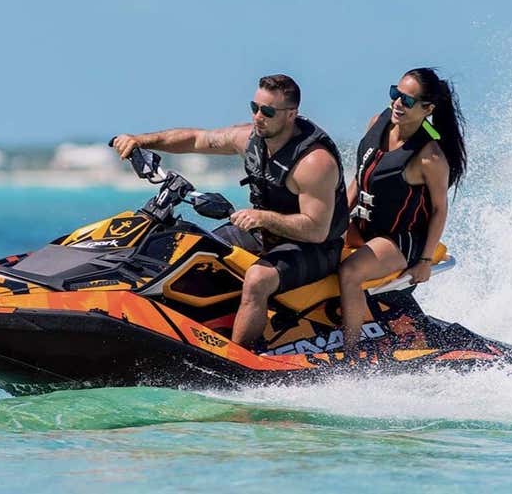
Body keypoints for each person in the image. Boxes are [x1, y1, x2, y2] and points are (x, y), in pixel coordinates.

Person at [111, 74, 349, 349]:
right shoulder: (249, 138)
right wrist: (140, 140)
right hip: (264, 231)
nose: (258, 117)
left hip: (316, 247)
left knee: (258, 279)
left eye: (268, 111)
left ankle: (237, 357)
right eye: (255, 107)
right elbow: (197, 139)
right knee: (195, 249)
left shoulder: (314, 163)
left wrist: (263, 217)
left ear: (291, 114)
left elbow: (317, 229)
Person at [338, 68, 467, 355]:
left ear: (428, 109)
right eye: (395, 94)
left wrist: (423, 260)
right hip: (365, 227)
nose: (397, 103)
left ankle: (350, 354)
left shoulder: (429, 156)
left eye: (407, 101)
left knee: (350, 272)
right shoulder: (376, 124)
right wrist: (336, 218)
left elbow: (439, 210)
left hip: (401, 240)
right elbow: (360, 178)